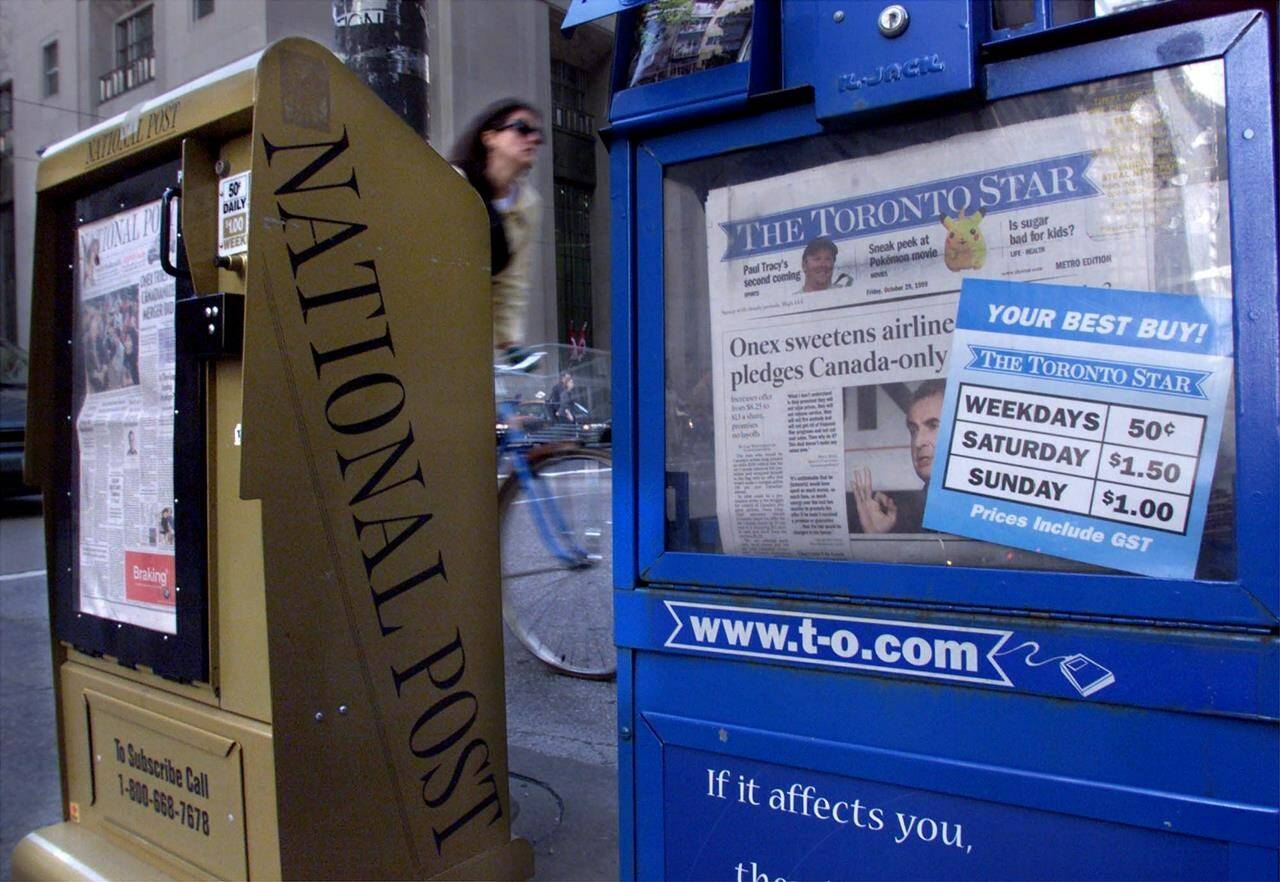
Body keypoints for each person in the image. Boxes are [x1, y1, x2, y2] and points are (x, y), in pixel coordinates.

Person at [449, 99, 545, 356]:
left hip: (470, 344)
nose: (534, 138)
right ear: (489, 137)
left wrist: (510, 343)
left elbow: (513, 281)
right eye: (522, 128)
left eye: (539, 134)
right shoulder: (453, 183)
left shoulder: (529, 205)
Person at [848, 379, 945, 534]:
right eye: (913, 430)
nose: (918, 441)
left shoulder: (988, 512)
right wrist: (876, 536)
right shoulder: (910, 519)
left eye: (933, 425)